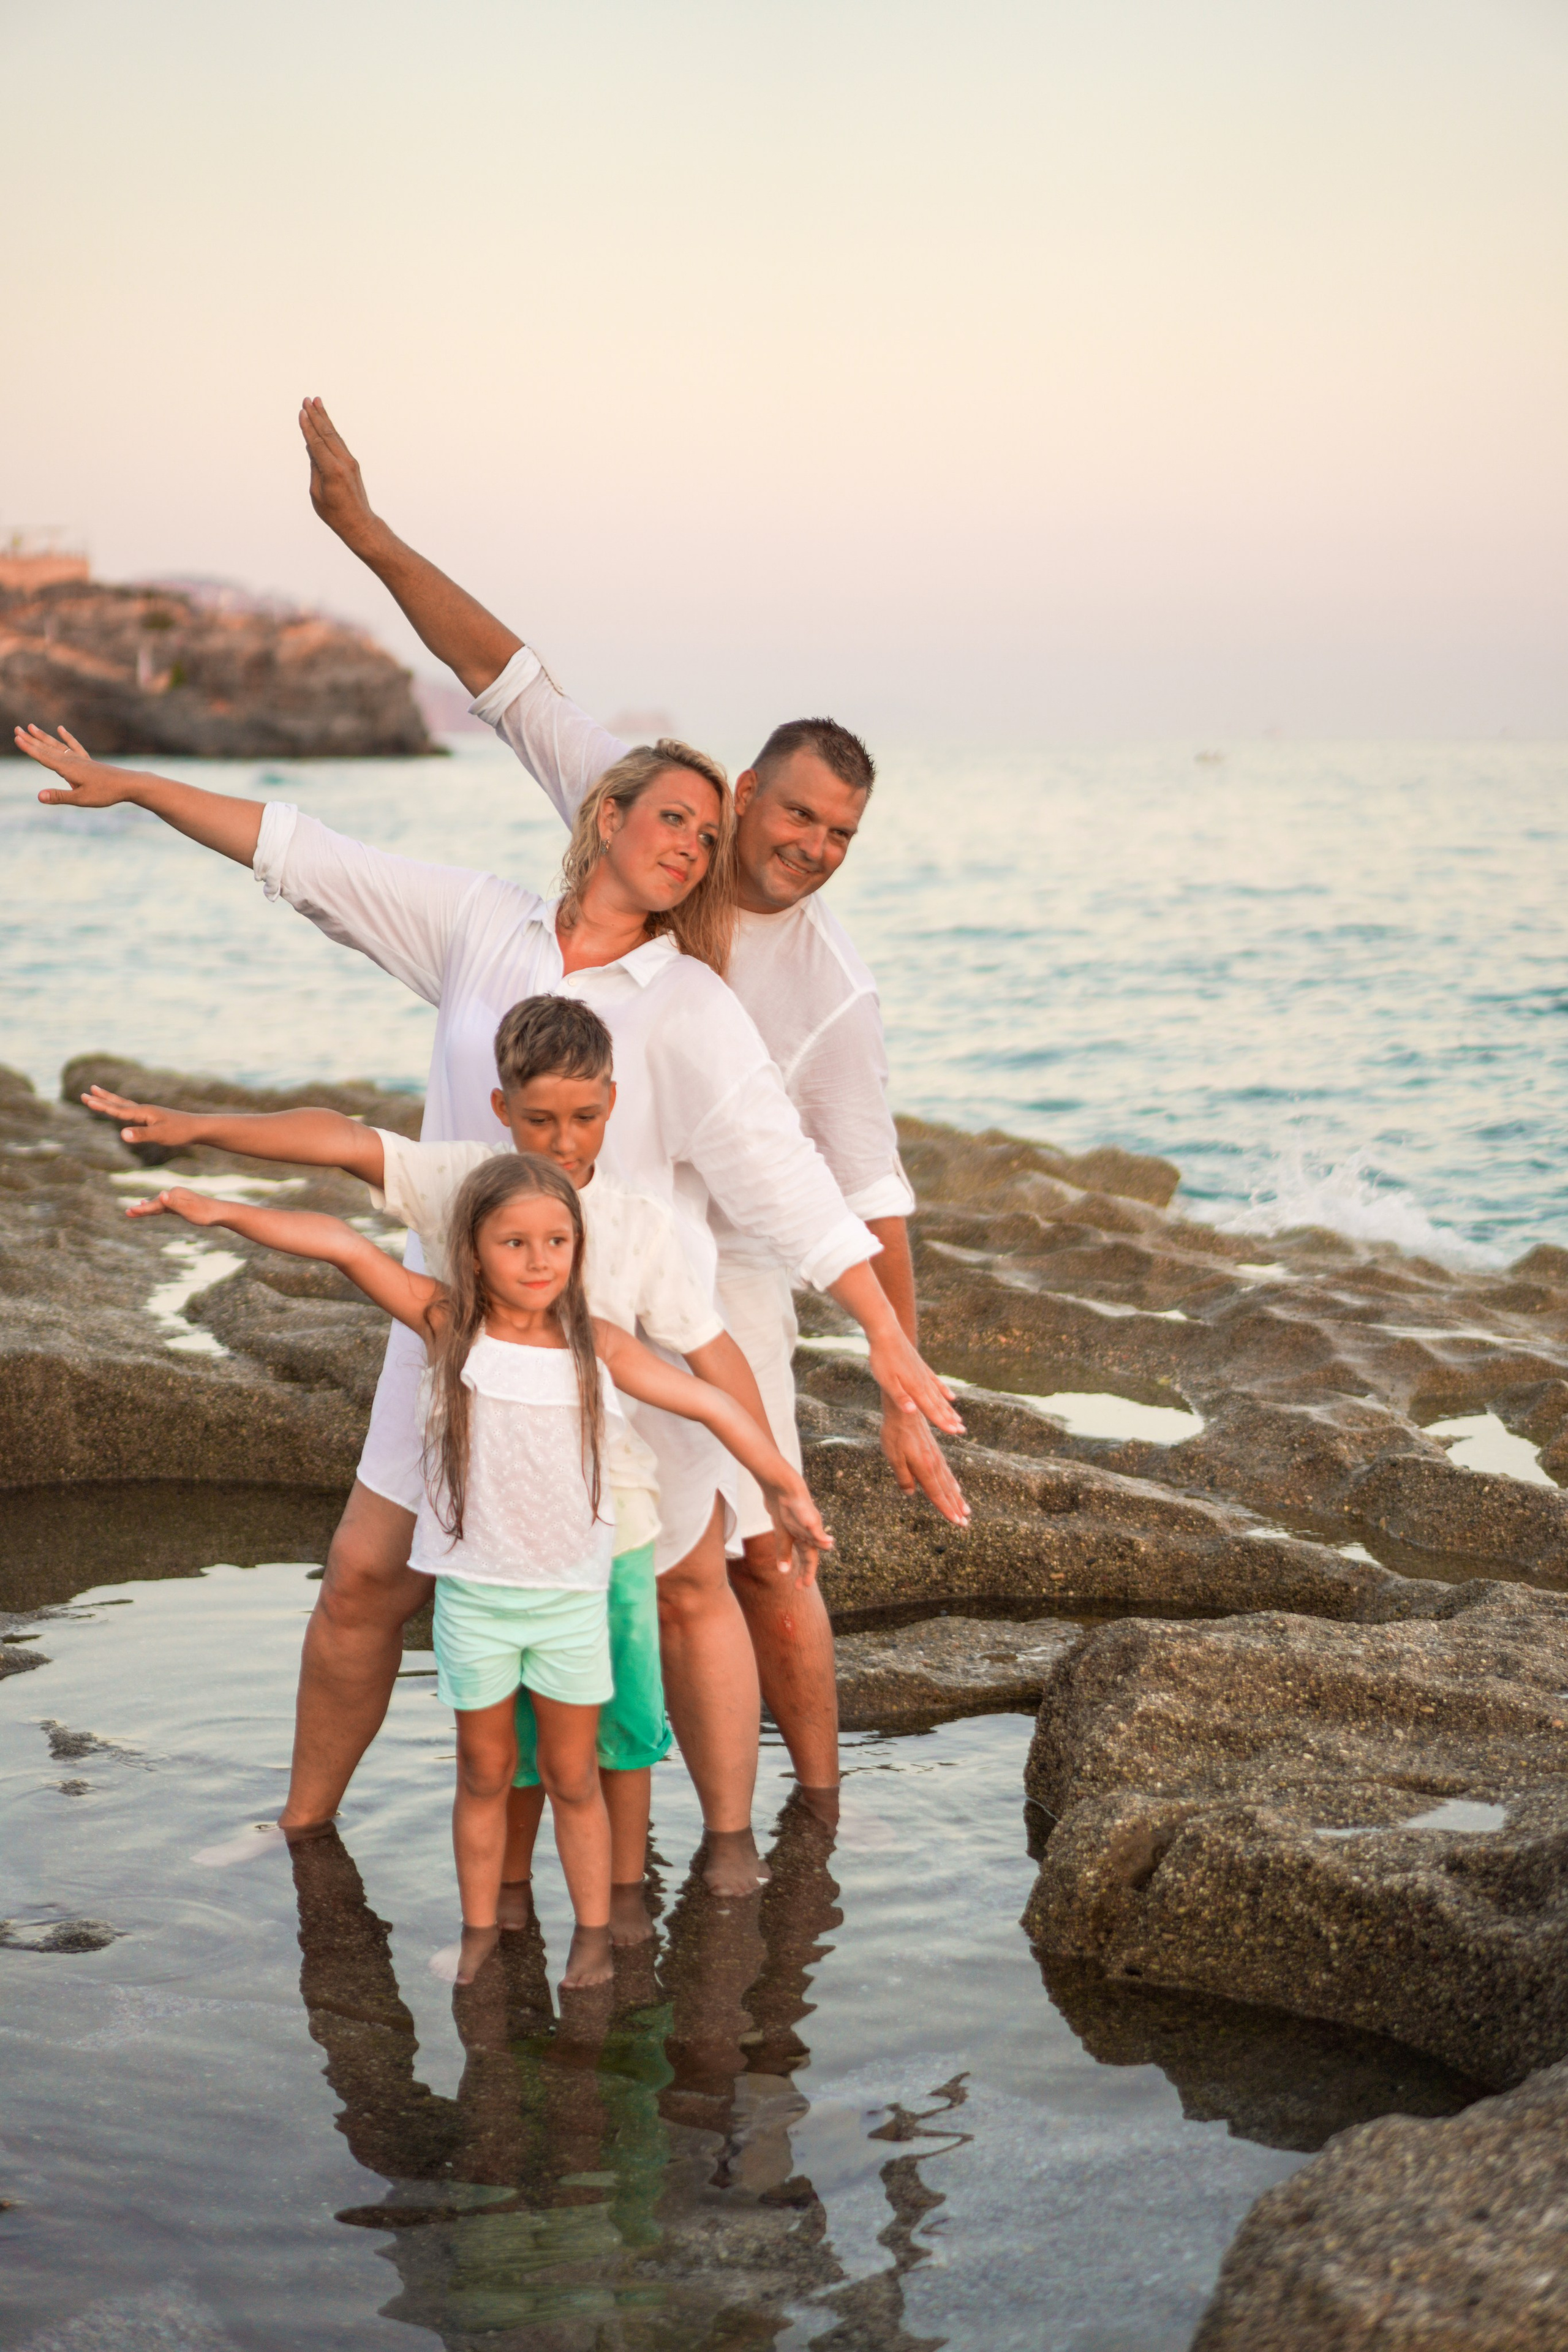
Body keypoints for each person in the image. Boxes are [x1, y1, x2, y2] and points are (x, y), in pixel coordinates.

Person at [17, 718, 966, 1885]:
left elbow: (794, 1187)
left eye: (707, 833)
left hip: (624, 1333)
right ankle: (300, 1826)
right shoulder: (481, 922)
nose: (690, 844)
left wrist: (884, 1337)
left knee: (681, 1589)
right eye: (671, 817)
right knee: (365, 1576)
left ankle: (732, 1859)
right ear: (608, 816)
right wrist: (134, 787)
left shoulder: (692, 1001)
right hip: (455, 1324)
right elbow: (304, 855)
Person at [296, 397, 941, 1804]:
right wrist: (364, 532)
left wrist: (899, 1373)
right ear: (740, 792)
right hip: (554, 1238)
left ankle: (805, 1815)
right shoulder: (648, 823)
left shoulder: (828, 986)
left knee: (747, 1564)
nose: (809, 848)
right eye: (793, 816)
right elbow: (503, 676)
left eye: (839, 835)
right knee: (534, 1549)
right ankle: (561, 1820)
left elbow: (860, 1191)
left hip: (716, 1278)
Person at [84, 992, 810, 1915]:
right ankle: (496, 1908)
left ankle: (623, 1906)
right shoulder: (463, 1217)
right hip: (491, 1549)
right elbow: (345, 1167)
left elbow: (711, 1371)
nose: (564, 1141)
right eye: (539, 1120)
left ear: (613, 1104)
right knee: (501, 1753)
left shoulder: (628, 1243)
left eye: (585, 1117)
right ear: (502, 1110)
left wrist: (777, 1486)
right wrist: (204, 1151)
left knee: (617, 1736)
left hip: (605, 1530)